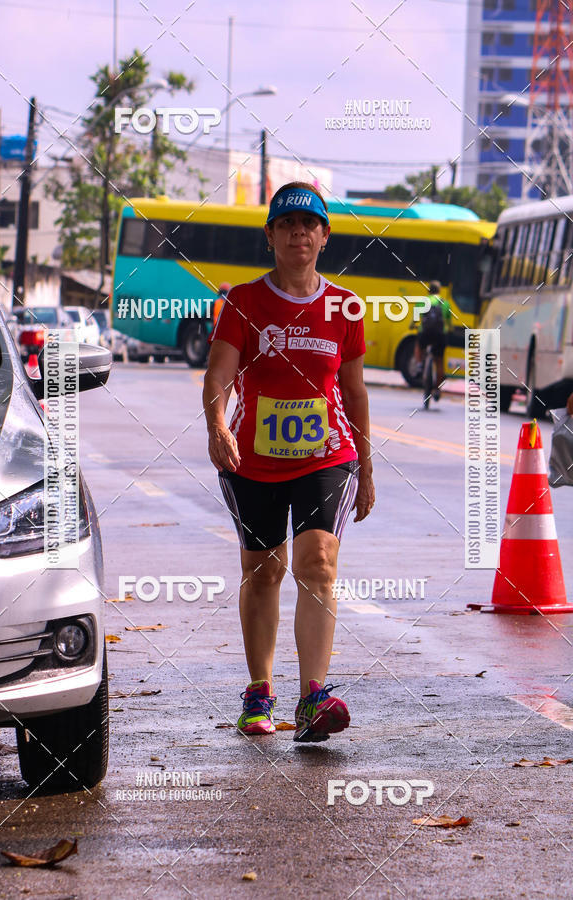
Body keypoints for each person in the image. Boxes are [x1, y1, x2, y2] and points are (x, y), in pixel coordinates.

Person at [202, 181, 375, 743]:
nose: (299, 232)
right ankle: (259, 691)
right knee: (263, 570)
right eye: (287, 223)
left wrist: (368, 467)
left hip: (328, 455)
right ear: (271, 235)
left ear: (324, 237)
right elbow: (218, 377)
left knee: (317, 561)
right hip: (252, 459)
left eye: (310, 224)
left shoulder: (345, 306)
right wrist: (217, 425)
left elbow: (355, 390)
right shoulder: (243, 303)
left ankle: (313, 698)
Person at [413, 280, 451, 401]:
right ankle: (437, 389)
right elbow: (448, 322)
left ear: (429, 290)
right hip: (440, 335)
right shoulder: (445, 303)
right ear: (439, 291)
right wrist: (450, 329)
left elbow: (415, 318)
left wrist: (413, 325)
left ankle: (419, 366)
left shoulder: (423, 301)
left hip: (425, 333)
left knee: (419, 345)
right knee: (439, 361)